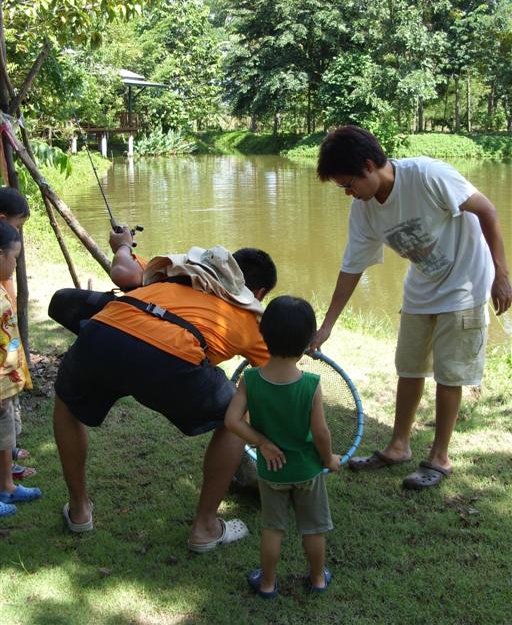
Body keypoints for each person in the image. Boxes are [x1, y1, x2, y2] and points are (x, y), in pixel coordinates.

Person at [53, 227, 277, 551]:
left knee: (67, 402)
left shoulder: (170, 275)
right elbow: (275, 375)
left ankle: (79, 510)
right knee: (235, 418)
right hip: (169, 358)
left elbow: (123, 271)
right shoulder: (249, 321)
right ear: (257, 292)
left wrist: (123, 245)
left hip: (105, 330)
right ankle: (205, 528)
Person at [312, 124, 512, 489]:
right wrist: (327, 326)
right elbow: (351, 267)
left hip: (466, 284)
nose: (348, 193)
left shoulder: (428, 176)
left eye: (349, 184)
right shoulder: (364, 210)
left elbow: (486, 210)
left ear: (369, 166)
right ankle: (398, 446)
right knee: (409, 367)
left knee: (450, 373)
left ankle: (440, 457)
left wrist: (502, 273)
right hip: (422, 287)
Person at [225, 295, 339, 598]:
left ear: (264, 335)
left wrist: (262, 442)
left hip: (272, 473)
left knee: (272, 528)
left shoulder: (250, 380)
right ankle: (317, 579)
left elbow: (232, 421)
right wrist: (329, 459)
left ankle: (267, 584)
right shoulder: (311, 384)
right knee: (313, 529)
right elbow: (321, 433)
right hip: (307, 470)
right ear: (306, 342)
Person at [0, 220, 42, 517]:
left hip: (6, 383)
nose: (16, 264)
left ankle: (6, 486)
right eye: (14, 257)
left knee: (4, 437)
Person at [0, 187, 35, 481]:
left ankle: (9, 456)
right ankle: (6, 471)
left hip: (8, 357)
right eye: (18, 226)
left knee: (10, 411)